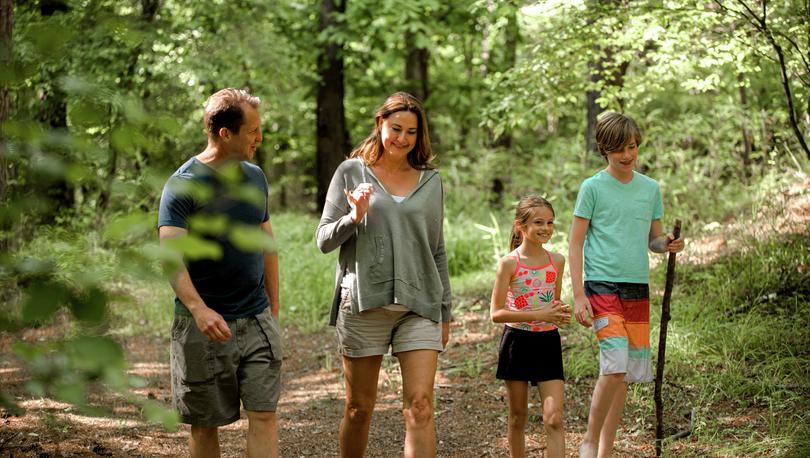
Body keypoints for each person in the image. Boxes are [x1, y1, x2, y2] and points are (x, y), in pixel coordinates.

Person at [315, 91, 452, 458]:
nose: (402, 139)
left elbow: (436, 249)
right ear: (380, 125)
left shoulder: (431, 181)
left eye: (411, 132)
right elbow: (323, 240)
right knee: (359, 409)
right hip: (364, 304)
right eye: (396, 129)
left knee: (420, 406)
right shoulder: (350, 172)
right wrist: (354, 216)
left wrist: (446, 310)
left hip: (420, 305)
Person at [158, 88, 283, 458]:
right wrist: (199, 309)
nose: (259, 139)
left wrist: (273, 310)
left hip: (257, 318)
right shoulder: (182, 184)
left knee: (265, 413)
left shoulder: (256, 177)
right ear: (225, 133)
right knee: (205, 423)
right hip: (204, 327)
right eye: (253, 131)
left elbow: (267, 245)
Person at [569, 112, 684, 458]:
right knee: (615, 363)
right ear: (604, 149)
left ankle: (606, 449)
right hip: (602, 285)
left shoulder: (650, 189)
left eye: (632, 147)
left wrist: (668, 245)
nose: (627, 155)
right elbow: (575, 242)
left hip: (636, 288)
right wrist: (577, 295)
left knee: (623, 373)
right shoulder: (592, 188)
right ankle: (589, 439)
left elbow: (654, 239)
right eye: (619, 149)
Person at [490, 195, 571, 458]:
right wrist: (541, 313)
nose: (546, 228)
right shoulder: (509, 263)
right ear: (520, 226)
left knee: (554, 418)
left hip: (548, 342)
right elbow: (496, 313)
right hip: (517, 342)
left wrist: (559, 313)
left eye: (550, 222)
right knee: (517, 417)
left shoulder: (557, 261)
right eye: (538, 222)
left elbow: (553, 304)